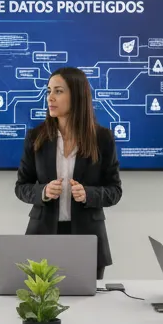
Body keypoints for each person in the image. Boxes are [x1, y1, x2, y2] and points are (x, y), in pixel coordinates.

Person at [14, 66, 123, 279]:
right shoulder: (36, 137)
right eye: (48, 91)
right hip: (42, 236)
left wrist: (89, 194)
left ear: (78, 95)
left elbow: (115, 191)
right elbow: (21, 187)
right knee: (40, 306)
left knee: (88, 309)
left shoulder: (103, 138)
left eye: (58, 91)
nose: (50, 98)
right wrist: (43, 192)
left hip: (87, 238)